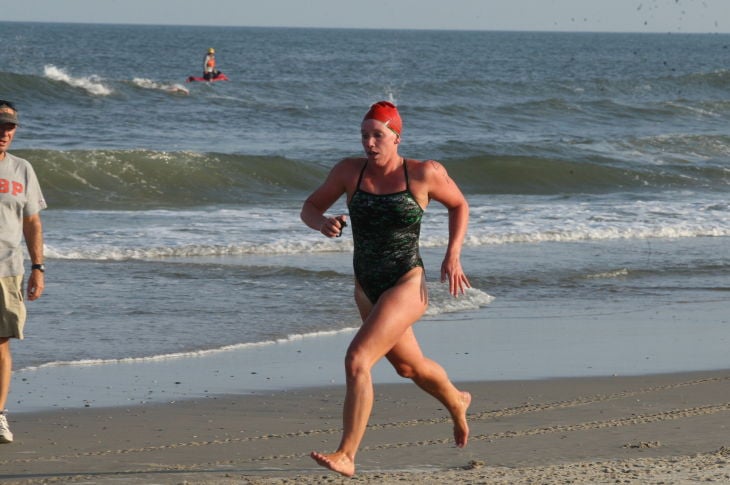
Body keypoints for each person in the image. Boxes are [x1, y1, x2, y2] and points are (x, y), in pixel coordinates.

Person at [300, 101, 472, 477]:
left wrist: (453, 256)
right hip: (366, 285)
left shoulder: (423, 173)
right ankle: (457, 400)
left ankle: (347, 453)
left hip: (406, 281)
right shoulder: (349, 172)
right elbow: (309, 207)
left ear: (397, 136)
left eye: (378, 135)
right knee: (409, 367)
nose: (370, 142)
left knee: (357, 359)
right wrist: (321, 223)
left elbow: (459, 205)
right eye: (364, 135)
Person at [0, 100, 46, 444]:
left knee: (0, 344)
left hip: (8, 270)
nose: (4, 133)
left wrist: (38, 267)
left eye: (9, 127)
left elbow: (31, 221)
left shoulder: (22, 169)